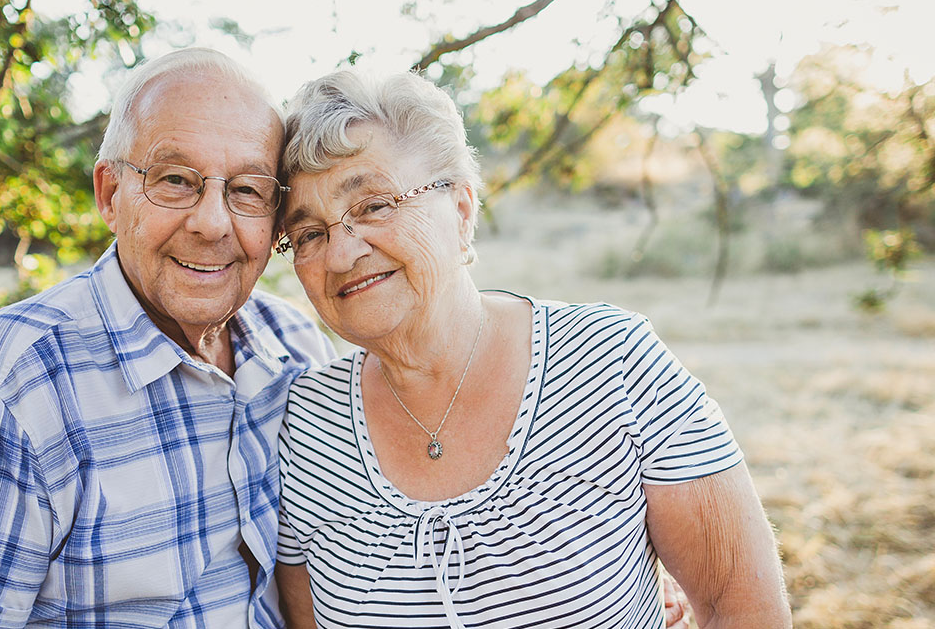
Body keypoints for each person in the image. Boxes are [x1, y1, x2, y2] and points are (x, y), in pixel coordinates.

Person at [272, 69, 792, 628]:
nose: (342, 254)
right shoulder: (306, 426)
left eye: (374, 205)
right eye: (309, 234)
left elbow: (739, 607)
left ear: (463, 209)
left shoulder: (612, 364)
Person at [0, 48, 336, 628]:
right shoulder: (13, 381)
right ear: (109, 194)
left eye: (247, 190)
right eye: (175, 180)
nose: (212, 222)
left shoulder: (296, 345)